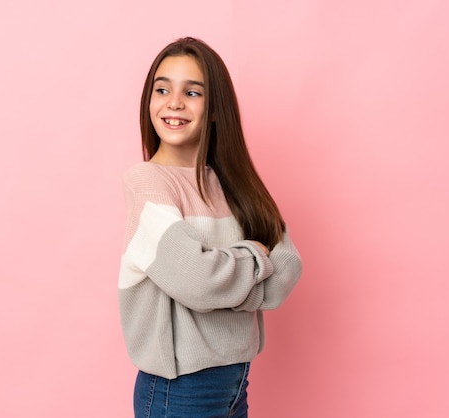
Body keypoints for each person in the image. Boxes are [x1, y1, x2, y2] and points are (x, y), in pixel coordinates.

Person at [118, 37, 302, 418]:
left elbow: (288, 267)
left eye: (193, 92)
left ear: (216, 108)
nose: (174, 102)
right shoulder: (147, 182)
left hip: (236, 383)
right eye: (162, 88)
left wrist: (223, 273)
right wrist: (253, 256)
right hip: (180, 388)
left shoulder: (236, 183)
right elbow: (196, 279)